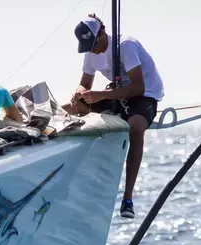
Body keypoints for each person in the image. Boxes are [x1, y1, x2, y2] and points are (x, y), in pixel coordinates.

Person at [62, 14, 164, 219]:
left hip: (145, 96)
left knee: (135, 127)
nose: (92, 50)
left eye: (94, 44)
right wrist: (78, 92)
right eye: (88, 47)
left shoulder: (126, 45)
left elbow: (138, 87)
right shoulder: (90, 52)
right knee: (69, 107)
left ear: (102, 32)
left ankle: (128, 198)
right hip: (116, 94)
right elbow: (85, 84)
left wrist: (102, 95)